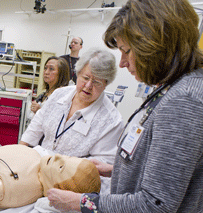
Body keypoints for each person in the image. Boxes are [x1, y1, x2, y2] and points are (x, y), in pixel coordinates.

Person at [47, 0, 203, 212]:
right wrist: (118, 169)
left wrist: (81, 202)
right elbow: (167, 175)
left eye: (126, 51)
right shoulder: (172, 88)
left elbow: (155, 205)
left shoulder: (183, 100)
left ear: (155, 46)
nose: (122, 62)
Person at [20, 47, 124, 166]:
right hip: (40, 166)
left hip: (72, 180)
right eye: (85, 78)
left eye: (97, 82)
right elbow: (36, 125)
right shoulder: (59, 94)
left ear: (106, 84)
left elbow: (102, 165)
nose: (88, 85)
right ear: (78, 73)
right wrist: (19, 153)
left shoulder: (112, 121)